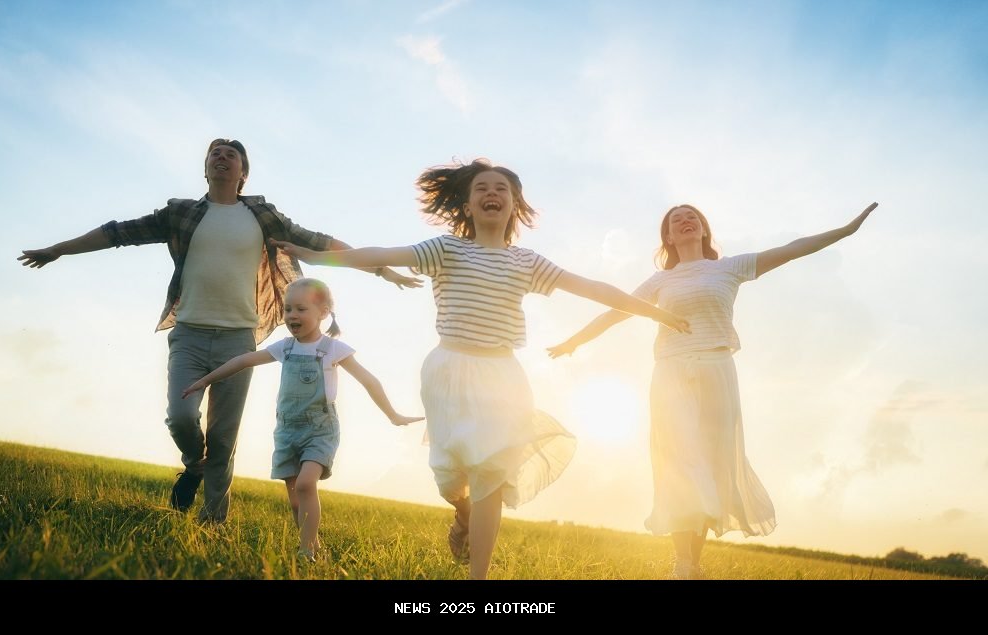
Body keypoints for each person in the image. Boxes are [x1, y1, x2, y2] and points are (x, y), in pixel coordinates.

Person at [269, 158, 690, 579]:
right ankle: (463, 512)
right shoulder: (447, 249)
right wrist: (316, 257)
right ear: (468, 206)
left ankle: (479, 577)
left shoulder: (527, 261)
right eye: (482, 188)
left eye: (501, 189)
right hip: (449, 372)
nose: (492, 194)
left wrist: (656, 313)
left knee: (491, 473)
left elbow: (593, 288)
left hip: (503, 377)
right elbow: (382, 253)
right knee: (451, 478)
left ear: (514, 205)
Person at [17, 138, 420, 523]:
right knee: (180, 416)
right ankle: (194, 465)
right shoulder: (182, 213)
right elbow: (118, 232)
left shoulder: (262, 217)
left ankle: (213, 524)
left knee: (224, 437)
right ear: (206, 168)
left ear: (243, 172)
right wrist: (57, 249)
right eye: (215, 153)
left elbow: (320, 242)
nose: (221, 158)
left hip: (238, 337)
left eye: (231, 154)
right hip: (189, 333)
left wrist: (381, 270)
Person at [547, 201, 879, 579]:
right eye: (676, 220)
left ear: (703, 230)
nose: (685, 221)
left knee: (710, 468)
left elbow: (792, 249)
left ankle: (692, 566)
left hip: (718, 371)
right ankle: (682, 564)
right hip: (671, 373)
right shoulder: (660, 281)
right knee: (680, 464)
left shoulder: (730, 268)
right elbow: (617, 309)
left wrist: (846, 230)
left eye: (692, 217)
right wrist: (574, 340)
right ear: (669, 238)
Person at [182, 277, 422, 560]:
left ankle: (306, 552)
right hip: (286, 430)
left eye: (301, 309)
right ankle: (313, 544)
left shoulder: (333, 349)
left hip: (320, 429)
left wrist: (393, 414)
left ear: (323, 313)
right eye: (288, 309)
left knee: (307, 484)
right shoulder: (285, 347)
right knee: (297, 499)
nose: (292, 315)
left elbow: (369, 380)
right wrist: (204, 381)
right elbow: (244, 361)